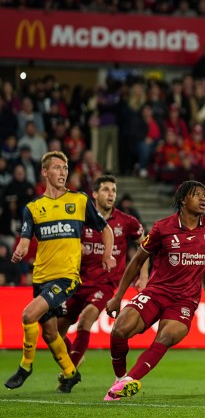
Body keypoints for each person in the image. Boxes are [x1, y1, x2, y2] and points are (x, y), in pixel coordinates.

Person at [5, 151, 115, 393]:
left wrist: (107, 255)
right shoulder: (33, 208)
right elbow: (24, 241)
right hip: (40, 278)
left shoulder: (79, 201)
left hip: (66, 277)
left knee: (28, 315)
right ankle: (70, 373)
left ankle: (25, 367)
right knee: (50, 331)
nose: (63, 172)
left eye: (65, 168)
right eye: (57, 168)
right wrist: (20, 251)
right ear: (45, 172)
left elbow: (106, 230)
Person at [104, 180, 205, 400]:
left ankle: (130, 380)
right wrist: (118, 296)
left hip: (185, 301)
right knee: (120, 329)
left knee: (166, 336)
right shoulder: (162, 227)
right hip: (157, 292)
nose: (203, 198)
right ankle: (120, 379)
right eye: (197, 195)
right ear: (184, 199)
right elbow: (137, 261)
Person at [57, 174, 146, 369]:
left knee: (86, 320)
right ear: (95, 194)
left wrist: (144, 276)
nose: (111, 194)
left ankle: (69, 371)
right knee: (53, 332)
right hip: (77, 282)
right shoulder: (80, 219)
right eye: (106, 189)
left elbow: (145, 244)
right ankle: (75, 355)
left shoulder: (126, 221)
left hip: (105, 284)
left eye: (113, 190)